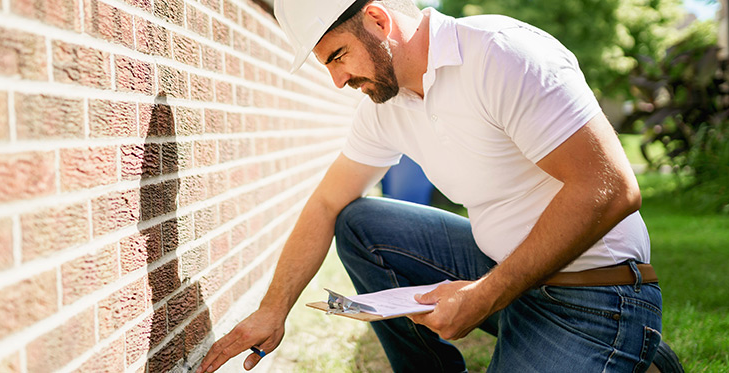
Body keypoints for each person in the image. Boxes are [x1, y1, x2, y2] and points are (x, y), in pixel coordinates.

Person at [197, 0, 675, 371]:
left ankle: (634, 351)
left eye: (338, 56)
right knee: (361, 222)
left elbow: (610, 188)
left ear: (378, 21)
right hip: (505, 272)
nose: (338, 80)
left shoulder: (501, 54)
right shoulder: (385, 107)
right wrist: (273, 309)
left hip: (594, 298)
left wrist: (486, 295)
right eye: (327, 65)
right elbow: (326, 203)